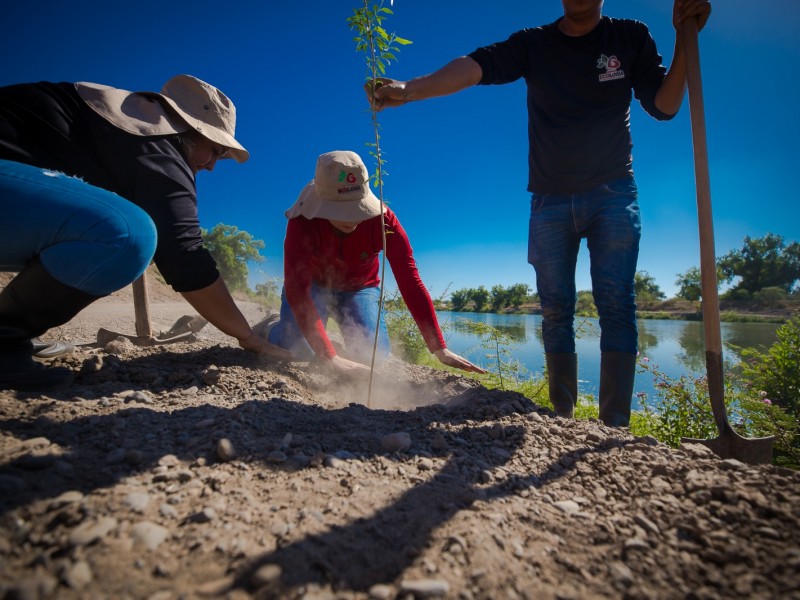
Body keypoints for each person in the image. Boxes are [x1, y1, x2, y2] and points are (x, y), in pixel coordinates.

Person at [368, 0, 712, 426]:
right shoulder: (535, 44)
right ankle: (563, 416)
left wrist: (683, 36)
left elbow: (665, 105)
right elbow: (475, 66)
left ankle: (615, 426)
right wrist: (409, 89)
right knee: (554, 308)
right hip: (549, 199)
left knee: (617, 303)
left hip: (613, 191)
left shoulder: (629, 36)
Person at [0, 74, 288, 392]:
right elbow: (184, 255)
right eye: (215, 152)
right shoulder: (160, 146)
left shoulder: (121, 128)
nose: (211, 166)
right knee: (129, 235)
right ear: (189, 130)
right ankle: (5, 337)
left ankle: (17, 331)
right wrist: (247, 336)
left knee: (94, 223)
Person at [257, 150, 485, 377]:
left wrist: (439, 347)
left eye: (356, 207)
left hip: (360, 289)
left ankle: (331, 342)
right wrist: (330, 357)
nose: (352, 218)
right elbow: (297, 287)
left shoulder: (385, 223)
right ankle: (273, 325)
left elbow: (410, 280)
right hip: (313, 286)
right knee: (297, 348)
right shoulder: (302, 221)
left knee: (372, 356)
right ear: (323, 205)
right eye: (341, 210)